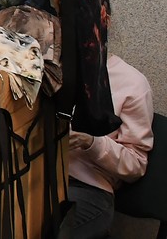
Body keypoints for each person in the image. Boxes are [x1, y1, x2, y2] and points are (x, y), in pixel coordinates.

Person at [58, 54, 154, 239]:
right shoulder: (49, 65)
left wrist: (92, 142)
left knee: (44, 226)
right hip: (41, 175)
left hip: (89, 187)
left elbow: (136, 164)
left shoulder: (132, 83)